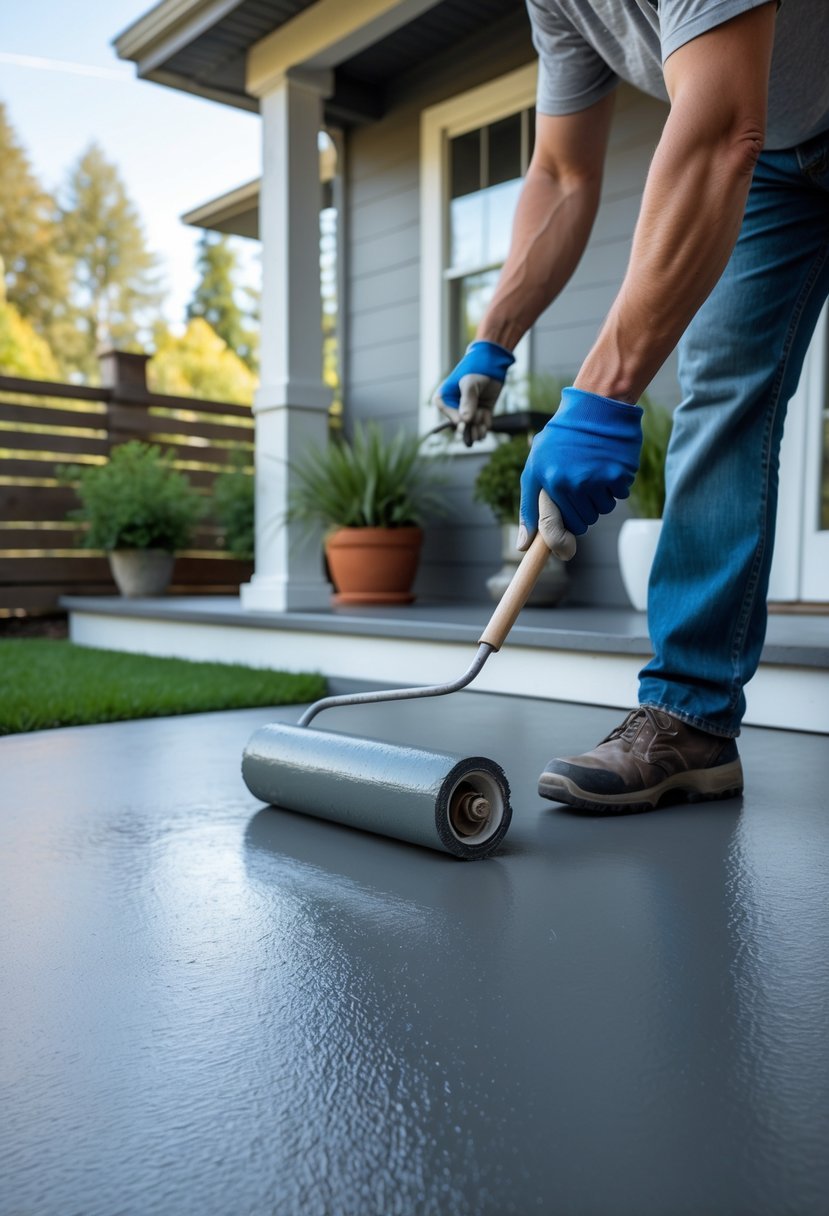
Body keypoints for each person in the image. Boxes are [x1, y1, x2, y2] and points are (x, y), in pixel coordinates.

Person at [435, 0, 829, 813]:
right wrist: (492, 339)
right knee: (719, 388)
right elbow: (560, 175)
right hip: (778, 168)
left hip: (748, 137)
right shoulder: (557, 8)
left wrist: (598, 393)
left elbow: (719, 126)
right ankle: (689, 717)